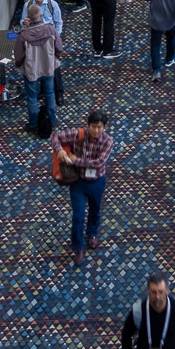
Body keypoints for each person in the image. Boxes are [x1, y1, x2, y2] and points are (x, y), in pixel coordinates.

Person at [52, 109, 114, 264]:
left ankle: (92, 234)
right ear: (88, 126)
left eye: (99, 127)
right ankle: (78, 246)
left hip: (97, 182)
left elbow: (98, 162)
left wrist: (75, 160)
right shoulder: (78, 134)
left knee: (95, 209)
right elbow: (55, 136)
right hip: (78, 182)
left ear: (104, 127)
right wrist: (59, 150)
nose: (96, 130)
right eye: (93, 127)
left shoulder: (107, 141)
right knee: (78, 216)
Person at [13, 0, 60, 136]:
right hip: (48, 67)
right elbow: (59, 48)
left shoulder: (23, 35)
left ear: (28, 18)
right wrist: (55, 57)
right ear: (40, 15)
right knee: (50, 94)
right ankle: (51, 120)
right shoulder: (50, 29)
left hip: (31, 69)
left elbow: (19, 54)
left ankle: (33, 124)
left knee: (32, 97)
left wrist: (19, 64)